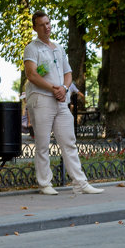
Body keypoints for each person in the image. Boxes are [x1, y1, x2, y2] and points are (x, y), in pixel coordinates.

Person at [22, 11, 104, 196]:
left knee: (69, 141)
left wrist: (65, 89)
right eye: (42, 24)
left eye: (48, 23)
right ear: (35, 28)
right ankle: (45, 183)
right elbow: (31, 74)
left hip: (61, 100)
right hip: (42, 99)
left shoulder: (58, 48)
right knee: (43, 143)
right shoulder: (32, 48)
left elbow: (68, 73)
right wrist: (53, 88)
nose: (46, 27)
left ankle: (80, 183)